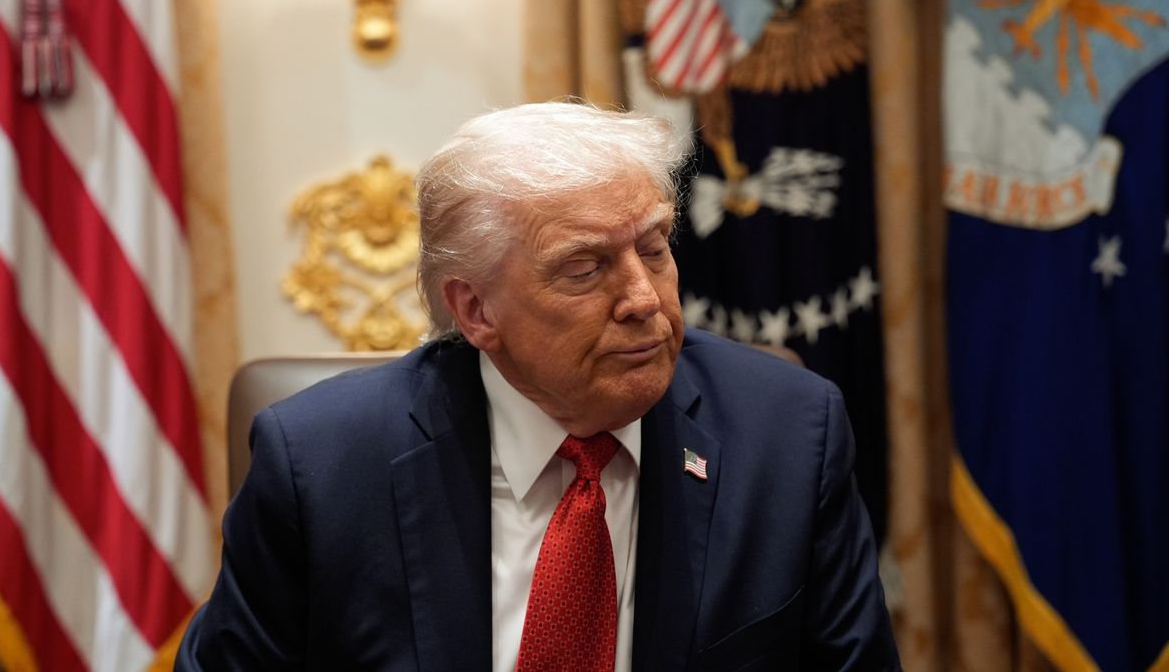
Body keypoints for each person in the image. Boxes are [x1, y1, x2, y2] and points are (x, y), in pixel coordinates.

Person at [176, 102, 899, 671]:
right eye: (585, 269)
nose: (645, 298)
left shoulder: (789, 433)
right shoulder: (322, 467)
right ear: (475, 309)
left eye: (654, 247)